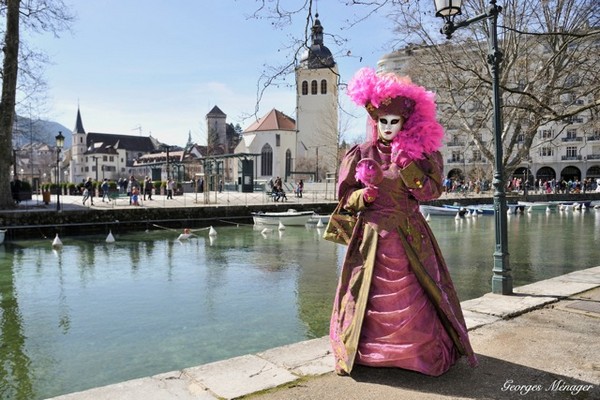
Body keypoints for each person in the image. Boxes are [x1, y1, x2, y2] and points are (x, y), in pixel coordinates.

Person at [330, 68, 477, 377]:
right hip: (369, 241)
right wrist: (364, 197)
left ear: (404, 122)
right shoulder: (359, 153)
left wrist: (408, 165)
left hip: (410, 237)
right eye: (382, 121)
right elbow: (345, 199)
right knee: (363, 296)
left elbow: (431, 192)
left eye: (394, 122)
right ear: (374, 121)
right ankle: (365, 354)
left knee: (416, 297)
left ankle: (419, 356)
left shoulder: (421, 155)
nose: (387, 127)